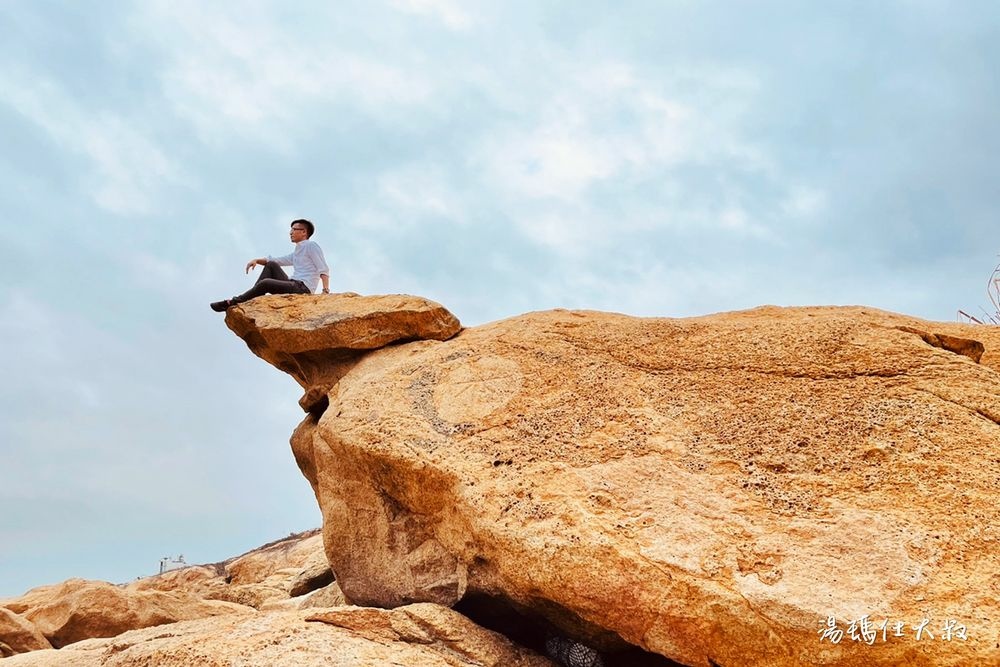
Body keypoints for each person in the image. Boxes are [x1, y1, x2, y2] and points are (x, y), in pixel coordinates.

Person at [210, 219, 330, 312]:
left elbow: (323, 269)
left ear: (304, 232)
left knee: (266, 283)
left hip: (303, 289)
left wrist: (325, 291)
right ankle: (251, 298)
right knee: (271, 264)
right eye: (291, 230)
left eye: (294, 229)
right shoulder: (297, 252)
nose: (290, 232)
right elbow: (276, 260)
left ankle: (234, 302)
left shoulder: (311, 246)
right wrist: (257, 260)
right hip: (293, 284)